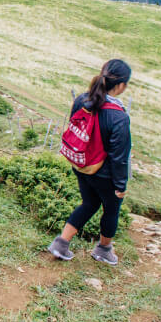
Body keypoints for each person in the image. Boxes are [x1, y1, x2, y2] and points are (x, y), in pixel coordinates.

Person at [48, 59, 132, 266]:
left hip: (81, 163)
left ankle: (61, 243)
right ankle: (103, 249)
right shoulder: (118, 116)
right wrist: (120, 186)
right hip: (105, 174)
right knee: (111, 210)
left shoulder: (82, 100)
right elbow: (119, 157)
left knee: (90, 202)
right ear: (121, 85)